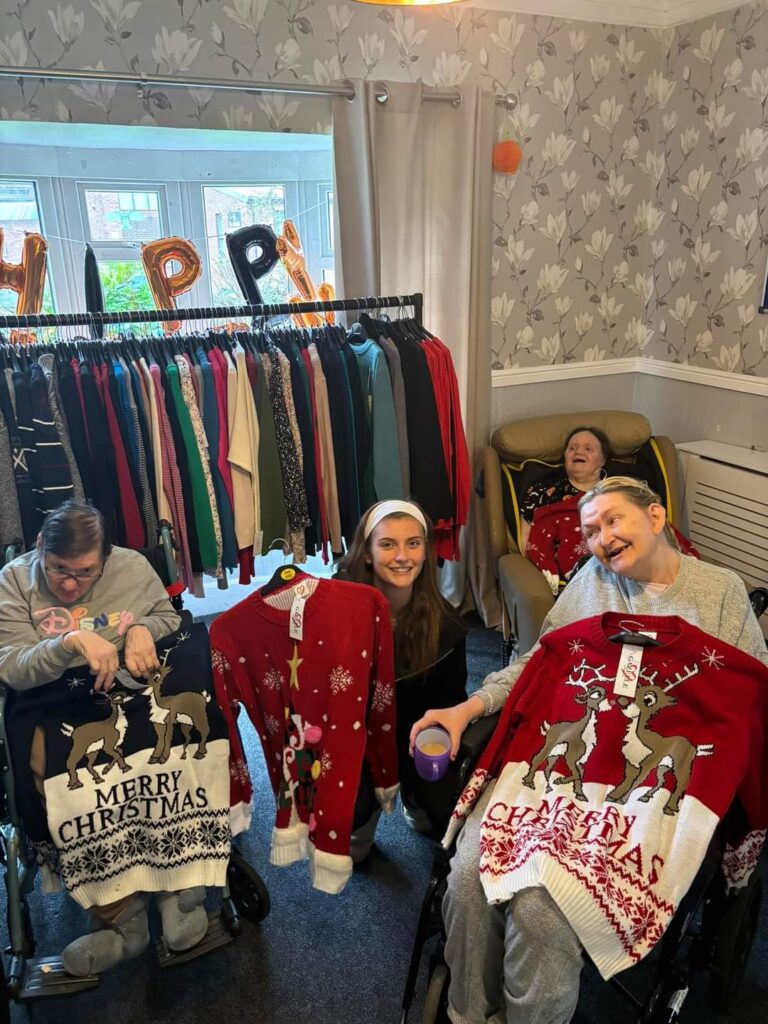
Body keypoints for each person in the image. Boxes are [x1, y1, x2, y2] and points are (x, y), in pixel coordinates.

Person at [410, 477, 768, 1024]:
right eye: (589, 531)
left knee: (542, 911)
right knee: (465, 880)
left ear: (655, 516)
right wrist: (467, 708)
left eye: (611, 520)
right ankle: (469, 1013)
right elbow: (535, 667)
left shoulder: (720, 593)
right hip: (558, 770)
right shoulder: (589, 584)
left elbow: (751, 700)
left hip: (645, 794)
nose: (600, 538)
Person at [0, 500, 209, 977]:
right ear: (38, 550)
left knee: (174, 751)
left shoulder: (132, 567)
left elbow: (167, 617)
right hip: (52, 700)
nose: (72, 586)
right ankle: (121, 917)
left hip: (127, 691)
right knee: (68, 779)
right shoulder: (14, 580)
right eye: (58, 572)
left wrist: (139, 630)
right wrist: (69, 642)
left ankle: (175, 889)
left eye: (86, 573)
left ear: (107, 558)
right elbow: (10, 665)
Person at [336, 498, 468, 837]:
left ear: (425, 551)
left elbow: (451, 700)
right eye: (387, 544)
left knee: (441, 818)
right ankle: (365, 813)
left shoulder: (447, 624)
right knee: (353, 842)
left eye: (413, 543)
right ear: (367, 553)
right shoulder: (336, 616)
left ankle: (413, 795)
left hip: (416, 737)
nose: (402, 556)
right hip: (357, 743)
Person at [518, 426, 612, 557]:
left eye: (588, 449)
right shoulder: (542, 490)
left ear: (603, 460)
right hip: (557, 571)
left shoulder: (617, 492)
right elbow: (525, 541)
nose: (578, 452)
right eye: (572, 448)